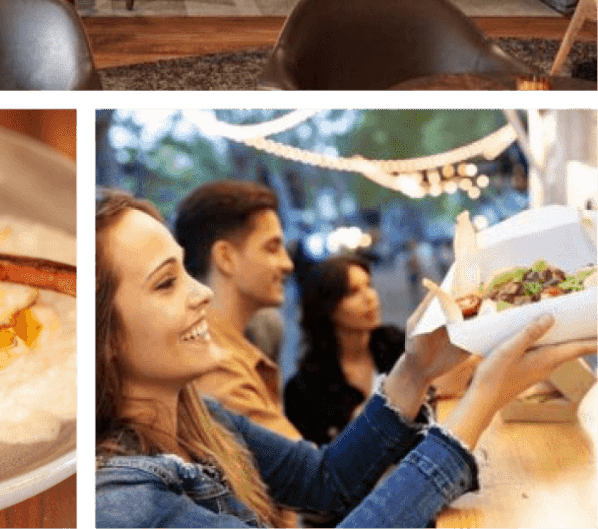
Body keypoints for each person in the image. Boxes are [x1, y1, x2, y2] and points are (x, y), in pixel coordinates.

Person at [94, 190, 597, 529]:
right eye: (165, 282)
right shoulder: (119, 498)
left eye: (185, 272)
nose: (201, 292)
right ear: (103, 336)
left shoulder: (200, 413)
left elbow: (324, 482)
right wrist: (480, 400)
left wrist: (416, 368)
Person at [174, 180, 301, 440]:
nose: (287, 264)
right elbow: (314, 477)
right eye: (272, 247)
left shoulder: (228, 345)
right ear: (226, 258)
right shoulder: (215, 365)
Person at [284, 256, 405, 446]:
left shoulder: (396, 344)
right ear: (328, 308)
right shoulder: (304, 389)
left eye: (369, 285)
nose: (370, 297)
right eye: (353, 292)